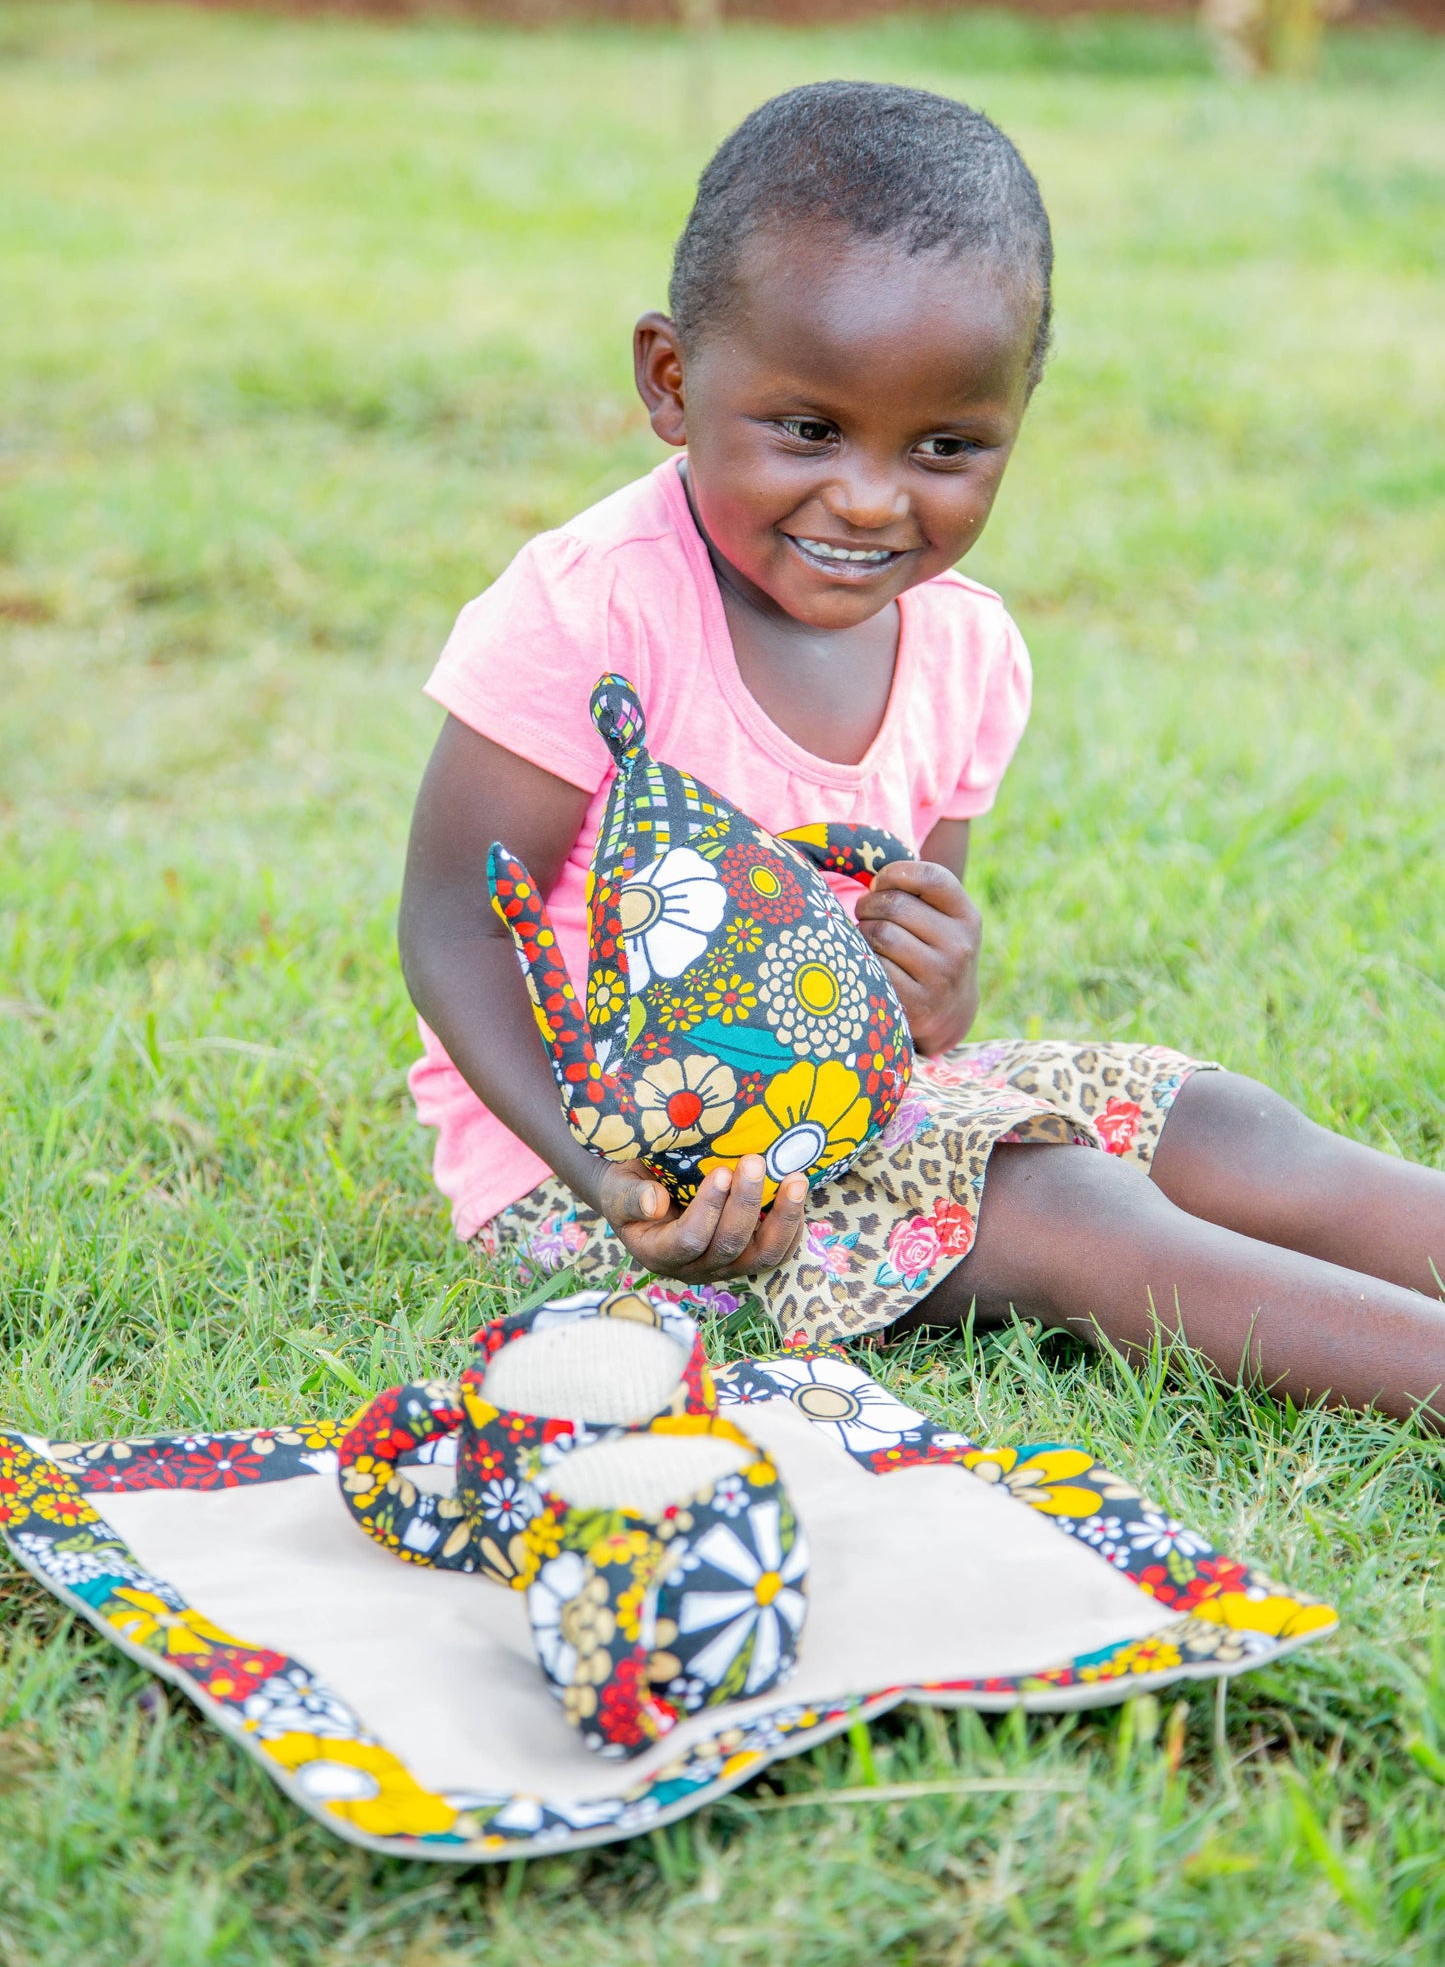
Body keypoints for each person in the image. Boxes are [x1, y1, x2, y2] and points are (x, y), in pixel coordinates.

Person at [399, 81, 1445, 1425]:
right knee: (1069, 1206)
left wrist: (935, 981)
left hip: (859, 1095)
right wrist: (616, 1177)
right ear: (671, 381)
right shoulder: (586, 609)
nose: (871, 498)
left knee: (1227, 1131)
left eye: (945, 446)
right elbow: (453, 927)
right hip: (619, 1167)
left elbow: (907, 1010)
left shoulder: (964, 647)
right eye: (808, 430)